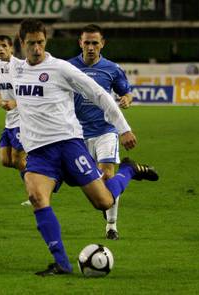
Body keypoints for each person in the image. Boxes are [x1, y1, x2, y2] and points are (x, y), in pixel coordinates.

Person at [0, 19, 158, 276]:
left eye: (41, 43)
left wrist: (124, 128)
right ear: (22, 43)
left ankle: (129, 170)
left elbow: (99, 94)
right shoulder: (15, 69)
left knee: (103, 202)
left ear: (46, 42)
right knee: (36, 197)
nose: (36, 48)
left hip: (69, 145)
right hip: (39, 153)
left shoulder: (60, 68)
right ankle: (62, 263)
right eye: (31, 43)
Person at [68, 24, 133, 240]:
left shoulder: (112, 69)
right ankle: (128, 173)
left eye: (95, 43)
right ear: (80, 43)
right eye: (86, 42)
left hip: (106, 130)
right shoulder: (68, 67)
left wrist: (126, 99)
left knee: (107, 174)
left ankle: (111, 226)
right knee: (89, 182)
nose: (91, 47)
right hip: (77, 134)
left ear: (102, 44)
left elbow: (126, 91)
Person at [0, 35, 26, 172]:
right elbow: (1, 92)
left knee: (17, 160)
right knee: (5, 160)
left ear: (11, 48)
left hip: (22, 121)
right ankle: (36, 169)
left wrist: (15, 103)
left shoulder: (21, 68)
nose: (1, 49)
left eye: (4, 46)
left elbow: (31, 94)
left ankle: (38, 182)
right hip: (9, 122)